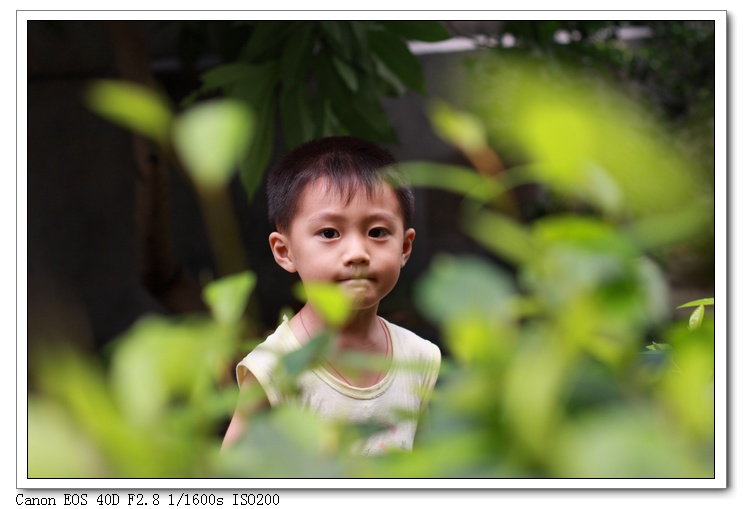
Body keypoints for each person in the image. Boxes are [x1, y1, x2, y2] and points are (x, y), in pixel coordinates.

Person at [222, 136, 441, 456]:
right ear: (285, 252)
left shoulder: (418, 358)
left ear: (405, 247)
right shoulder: (274, 369)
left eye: (377, 232)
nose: (357, 253)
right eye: (329, 233)